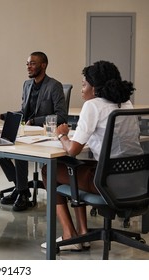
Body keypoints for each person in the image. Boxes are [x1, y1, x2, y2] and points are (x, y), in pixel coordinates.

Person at [40, 60, 141, 251]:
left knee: (48, 170)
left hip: (107, 182)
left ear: (95, 88)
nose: (81, 90)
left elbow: (72, 150)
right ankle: (83, 234)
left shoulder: (93, 106)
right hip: (135, 180)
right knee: (73, 166)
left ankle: (71, 235)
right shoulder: (126, 103)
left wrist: (62, 134)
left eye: (84, 84)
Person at [0, 51, 67, 211]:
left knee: (19, 151)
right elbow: (23, 113)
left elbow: (61, 116)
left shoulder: (54, 86)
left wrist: (35, 121)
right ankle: (22, 188)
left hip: (45, 133)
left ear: (43, 65)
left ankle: (21, 192)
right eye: (27, 63)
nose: (28, 66)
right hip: (27, 131)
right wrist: (2, 116)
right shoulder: (27, 85)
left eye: (32, 63)